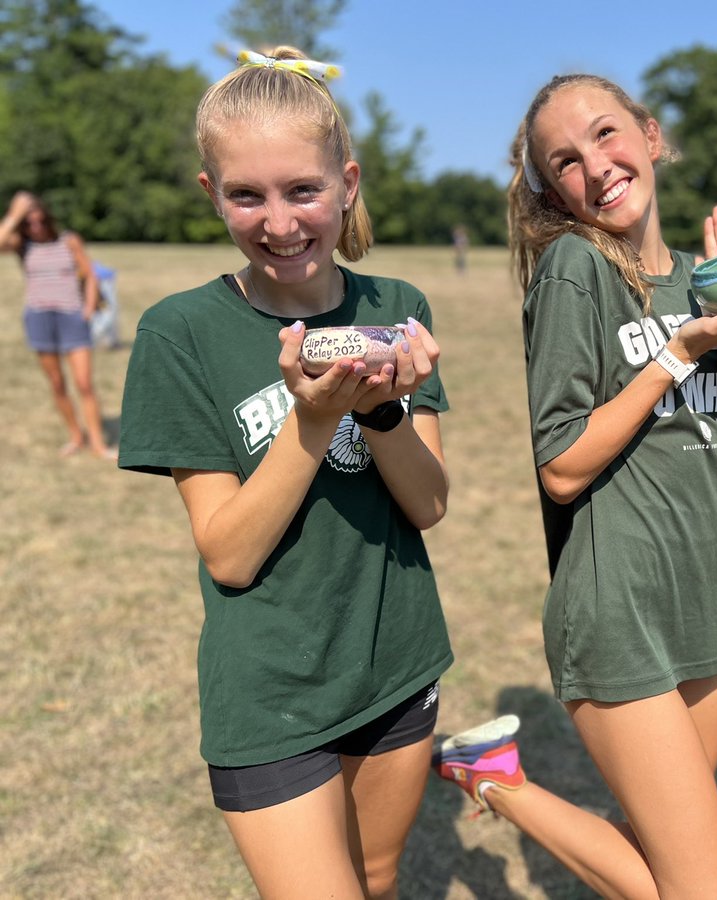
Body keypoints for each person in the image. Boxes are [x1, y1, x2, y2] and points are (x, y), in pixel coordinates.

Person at [431, 73, 717, 900]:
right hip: (617, 611)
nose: (595, 165)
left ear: (650, 136)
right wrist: (678, 354)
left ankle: (484, 768)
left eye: (606, 135)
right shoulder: (576, 269)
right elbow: (562, 465)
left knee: (656, 853)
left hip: (703, 608)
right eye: (564, 160)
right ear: (552, 189)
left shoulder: (697, 284)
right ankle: (496, 782)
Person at [117, 47, 453, 899]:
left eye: (303, 190)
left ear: (347, 182)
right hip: (271, 693)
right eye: (246, 196)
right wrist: (311, 419)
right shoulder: (179, 331)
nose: (279, 222)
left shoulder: (396, 308)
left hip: (396, 660)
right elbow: (228, 554)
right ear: (210, 193)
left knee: (377, 881)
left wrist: (380, 410)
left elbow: (429, 503)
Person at [1, 191, 116, 458]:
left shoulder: (68, 240)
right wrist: (15, 214)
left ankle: (98, 444)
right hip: (39, 318)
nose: (36, 227)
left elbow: (90, 274)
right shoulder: (21, 244)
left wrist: (87, 308)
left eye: (40, 221)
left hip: (71, 317)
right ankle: (76, 436)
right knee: (56, 383)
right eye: (29, 223)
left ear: (48, 219)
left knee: (84, 383)